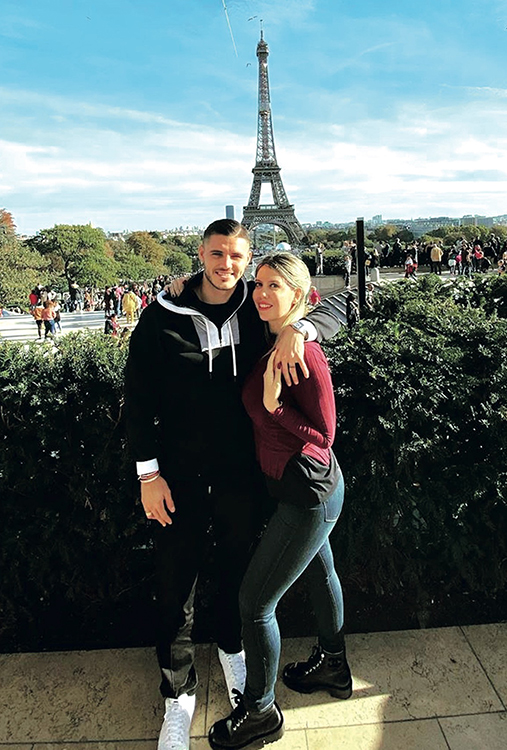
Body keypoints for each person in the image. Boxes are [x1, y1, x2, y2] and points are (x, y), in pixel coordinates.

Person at [124, 219, 340, 750]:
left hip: (241, 474)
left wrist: (301, 329)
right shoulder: (161, 315)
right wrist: (148, 474)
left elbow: (336, 306)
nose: (227, 265)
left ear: (248, 259)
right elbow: (138, 399)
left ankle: (232, 652)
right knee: (176, 583)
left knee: (237, 570)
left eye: (236, 256)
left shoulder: (257, 306)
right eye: (217, 254)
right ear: (200, 253)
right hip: (178, 476)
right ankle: (178, 695)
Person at [208, 253, 351, 750]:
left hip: (307, 495)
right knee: (320, 573)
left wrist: (274, 409)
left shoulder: (302, 354)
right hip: (303, 490)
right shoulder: (274, 337)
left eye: (275, 286)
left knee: (254, 604)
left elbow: (324, 436)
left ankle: (260, 712)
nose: (262, 293)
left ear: (299, 294)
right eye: (260, 283)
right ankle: (334, 666)